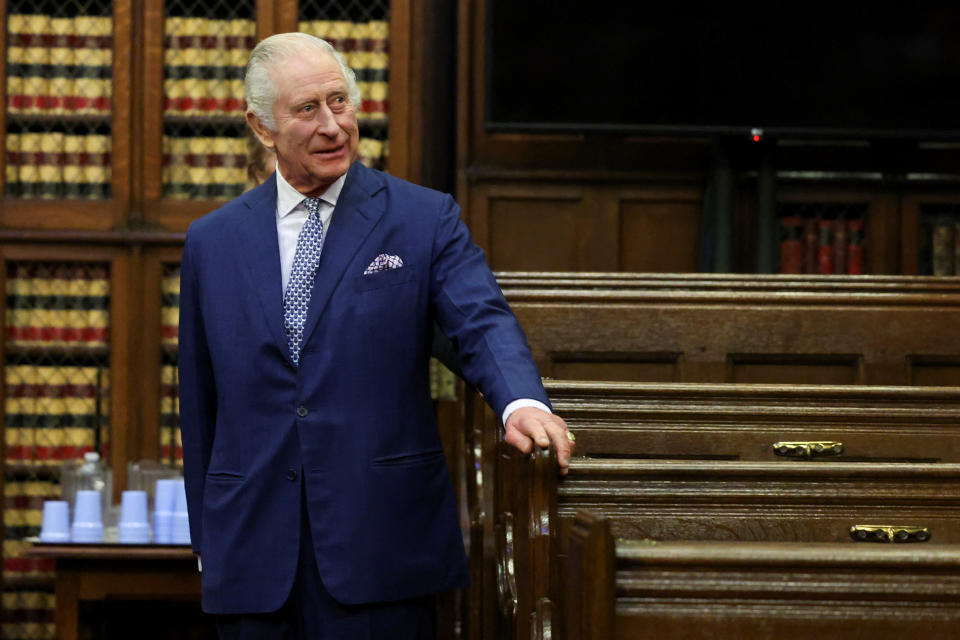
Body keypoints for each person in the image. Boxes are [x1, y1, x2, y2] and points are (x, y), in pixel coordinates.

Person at [178, 32, 573, 639]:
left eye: (340, 102)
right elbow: (200, 403)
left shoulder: (422, 218)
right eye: (308, 110)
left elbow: (481, 319)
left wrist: (518, 400)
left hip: (380, 548)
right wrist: (209, 541)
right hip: (251, 553)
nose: (332, 125)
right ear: (261, 127)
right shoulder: (212, 242)